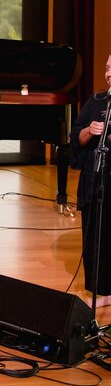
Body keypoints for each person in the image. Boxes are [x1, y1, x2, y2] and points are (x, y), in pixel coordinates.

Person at [70, 53, 111, 309]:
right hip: (96, 180)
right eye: (107, 68)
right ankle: (100, 290)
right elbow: (76, 135)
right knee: (96, 234)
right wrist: (88, 131)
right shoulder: (97, 101)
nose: (108, 74)